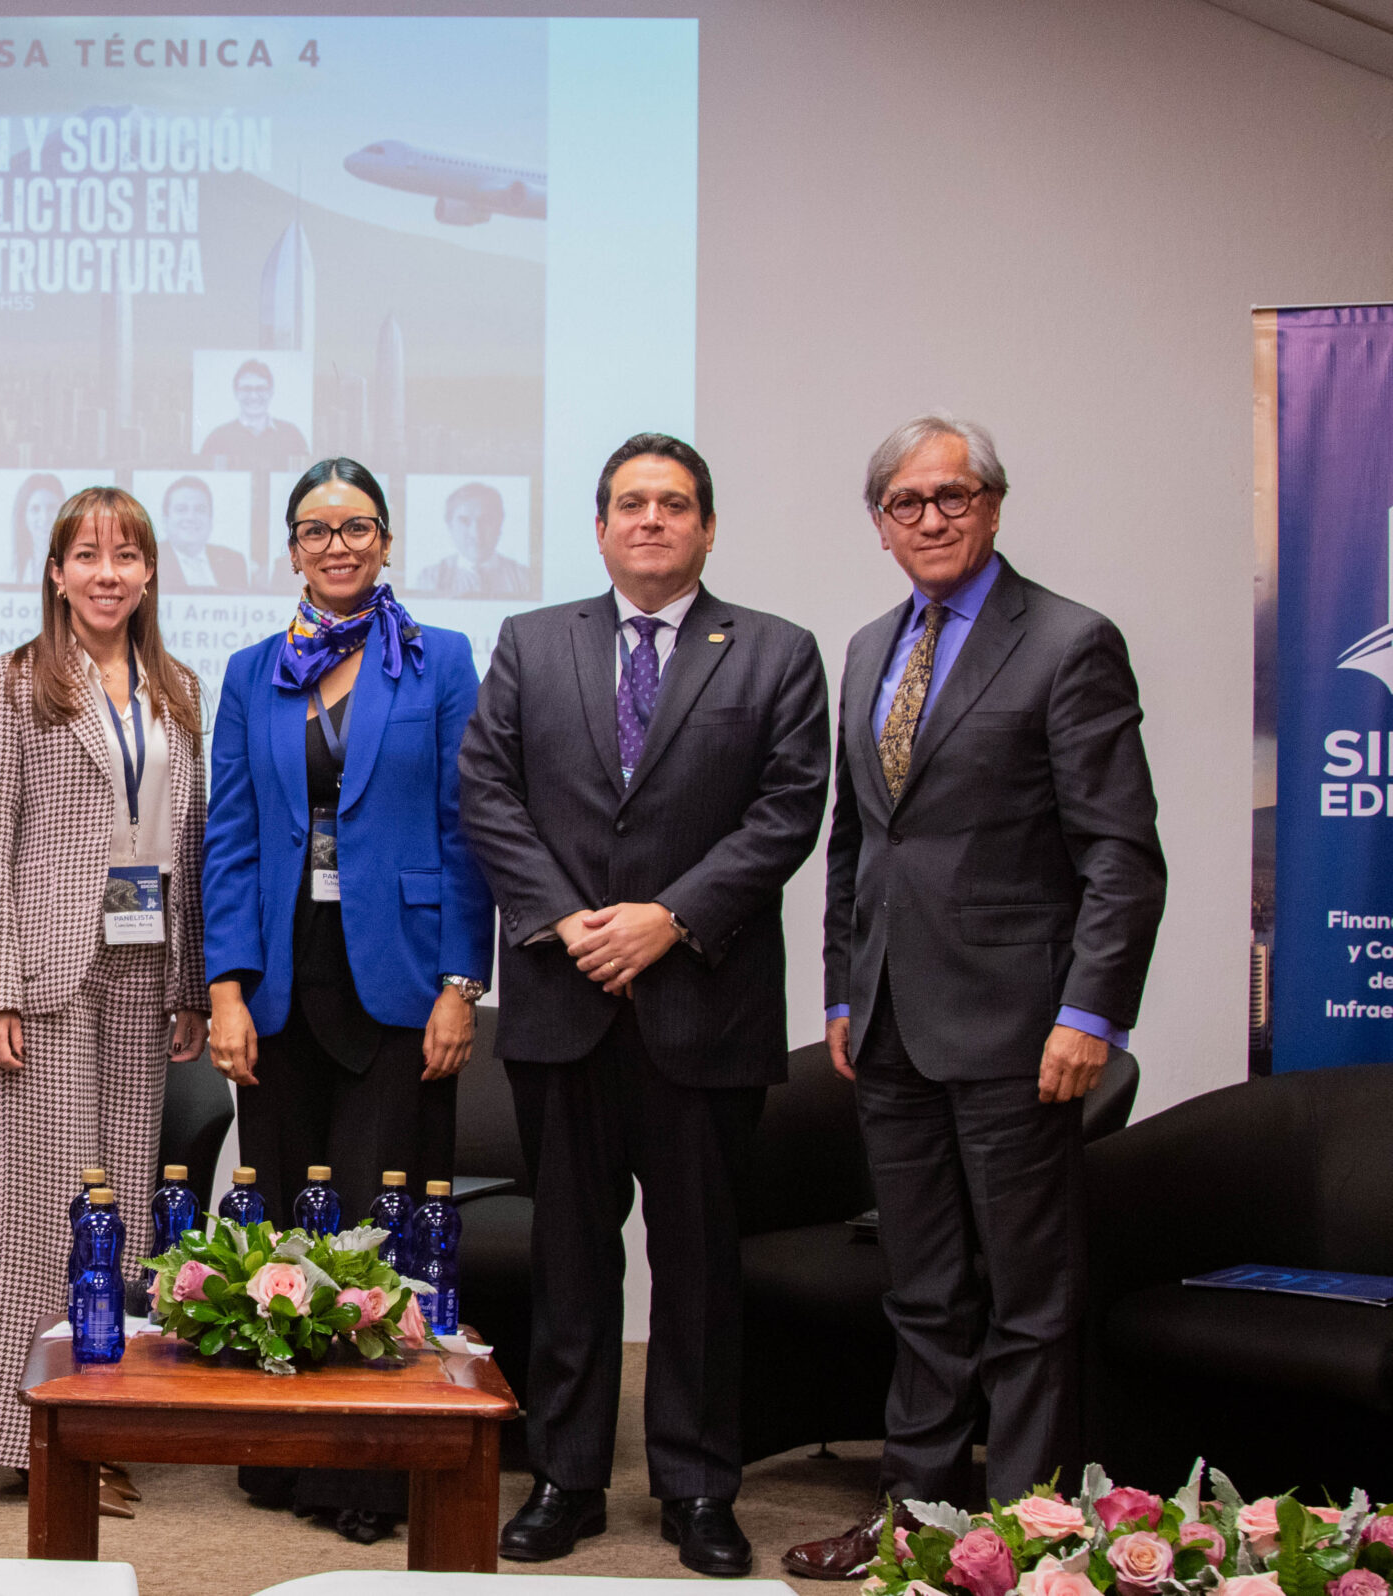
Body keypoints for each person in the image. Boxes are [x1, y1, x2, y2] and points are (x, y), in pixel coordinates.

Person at [783, 415, 1164, 1578]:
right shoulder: (869, 648)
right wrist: (843, 992)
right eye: (906, 502)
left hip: (1020, 1030)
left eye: (953, 495)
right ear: (879, 525)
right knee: (922, 1292)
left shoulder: (1066, 642)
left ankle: (1025, 1543)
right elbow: (859, 842)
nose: (931, 518)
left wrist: (1089, 1013)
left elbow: (1120, 854)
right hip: (889, 1029)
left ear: (992, 506)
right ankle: (915, 1521)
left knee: (1028, 1303)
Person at [457, 433, 830, 1577]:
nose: (651, 520)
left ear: (706, 527)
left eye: (673, 504)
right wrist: (566, 921)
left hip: (702, 1007)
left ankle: (699, 1487)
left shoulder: (775, 651)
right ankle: (565, 1478)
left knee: (700, 1267)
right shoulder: (531, 643)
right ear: (601, 526)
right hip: (562, 1000)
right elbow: (487, 789)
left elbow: (787, 808)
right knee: (570, 1262)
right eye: (631, 503)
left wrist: (668, 917)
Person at [201, 457, 493, 1543]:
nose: (337, 545)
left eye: (357, 526)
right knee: (282, 1223)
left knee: (379, 1224)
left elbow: (469, 831)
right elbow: (230, 836)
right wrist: (223, 989)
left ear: (386, 540)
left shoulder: (439, 659)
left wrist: (462, 983)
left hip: (399, 981)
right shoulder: (252, 671)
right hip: (281, 982)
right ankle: (290, 1453)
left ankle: (372, 1471)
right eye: (317, 529)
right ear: (292, 549)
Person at [0, 486, 209, 1495]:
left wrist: (193, 984)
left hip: (146, 965)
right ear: (58, 574)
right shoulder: (12, 681)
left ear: (148, 574)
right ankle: (31, 1437)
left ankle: (100, 1422)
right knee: (46, 1211)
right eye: (88, 556)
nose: (108, 574)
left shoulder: (181, 688)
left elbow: (193, 846)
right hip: (48, 972)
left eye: (127, 556)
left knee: (127, 1216)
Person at [419, 481, 532, 598]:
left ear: (499, 523)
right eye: (464, 521)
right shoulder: (429, 579)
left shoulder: (524, 578)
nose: (476, 533)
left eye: (485, 520)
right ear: (450, 525)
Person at [198, 359, 309, 470]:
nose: (254, 396)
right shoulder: (217, 438)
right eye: (246, 389)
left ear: (271, 392)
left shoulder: (292, 435)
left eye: (261, 389)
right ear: (236, 392)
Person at [158, 476, 248, 591]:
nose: (191, 517)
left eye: (200, 510)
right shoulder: (150, 560)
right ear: (165, 519)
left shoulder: (233, 561)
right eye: (181, 509)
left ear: (210, 519)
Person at [6, 472, 66, 586]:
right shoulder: (10, 569)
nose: (44, 518)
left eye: (51, 508)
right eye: (35, 509)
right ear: (23, 516)